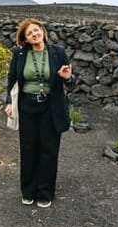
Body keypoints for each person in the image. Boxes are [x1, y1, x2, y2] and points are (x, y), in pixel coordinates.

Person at [4, 18, 75, 208]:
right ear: (25, 39)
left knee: (49, 150)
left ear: (42, 31)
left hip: (50, 107)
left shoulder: (58, 52)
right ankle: (28, 191)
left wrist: (68, 78)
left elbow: (70, 80)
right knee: (28, 149)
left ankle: (45, 192)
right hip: (27, 107)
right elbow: (12, 79)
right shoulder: (19, 54)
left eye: (36, 30)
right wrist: (9, 102)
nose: (34, 34)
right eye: (29, 33)